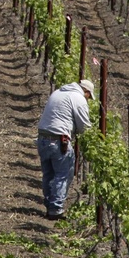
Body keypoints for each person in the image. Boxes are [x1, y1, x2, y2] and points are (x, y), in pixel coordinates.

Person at [36, 79, 94, 220]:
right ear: (85, 91)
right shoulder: (78, 98)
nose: (88, 99)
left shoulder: (58, 92)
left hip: (42, 138)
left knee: (48, 173)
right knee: (63, 174)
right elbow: (84, 126)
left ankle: (49, 204)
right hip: (59, 141)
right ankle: (55, 210)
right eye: (89, 96)